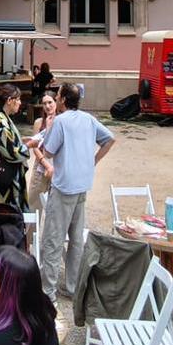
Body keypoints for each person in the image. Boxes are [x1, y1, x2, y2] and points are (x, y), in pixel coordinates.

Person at [39, 82, 115, 302]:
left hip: (63, 188)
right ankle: (73, 286)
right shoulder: (88, 119)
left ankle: (48, 292)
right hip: (82, 185)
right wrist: (93, 161)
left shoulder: (61, 122)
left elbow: (49, 152)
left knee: (53, 239)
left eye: (58, 95)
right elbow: (110, 139)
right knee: (75, 240)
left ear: (62, 100)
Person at [0, 84, 30, 215]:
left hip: (2, 175)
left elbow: (7, 143)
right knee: (5, 216)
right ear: (9, 100)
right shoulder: (0, 121)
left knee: (2, 215)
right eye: (18, 99)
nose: (20, 103)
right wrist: (28, 147)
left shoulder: (1, 118)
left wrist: (21, 141)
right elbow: (10, 153)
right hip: (4, 179)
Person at [26, 93, 57, 219]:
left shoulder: (61, 121)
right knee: (33, 205)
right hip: (40, 167)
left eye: (50, 102)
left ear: (56, 102)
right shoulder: (39, 122)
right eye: (44, 103)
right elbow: (35, 146)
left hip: (57, 168)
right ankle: (30, 238)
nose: (47, 106)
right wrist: (45, 163)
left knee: (55, 207)